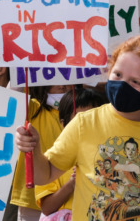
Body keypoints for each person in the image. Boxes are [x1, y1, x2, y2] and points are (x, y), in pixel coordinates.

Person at [16, 35, 140, 221]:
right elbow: (45, 176)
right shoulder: (84, 123)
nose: (122, 84)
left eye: (135, 82)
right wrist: (33, 149)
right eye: (117, 75)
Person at [36, 88, 107, 220]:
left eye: (92, 119)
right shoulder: (51, 160)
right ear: (64, 124)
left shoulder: (111, 157)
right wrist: (72, 183)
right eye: (79, 121)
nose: (86, 126)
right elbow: (47, 208)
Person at [9, 84, 71, 221]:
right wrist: (18, 68)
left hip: (70, 199)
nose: (62, 84)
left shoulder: (82, 112)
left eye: (66, 73)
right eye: (54, 76)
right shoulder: (32, 107)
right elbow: (9, 97)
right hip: (31, 199)